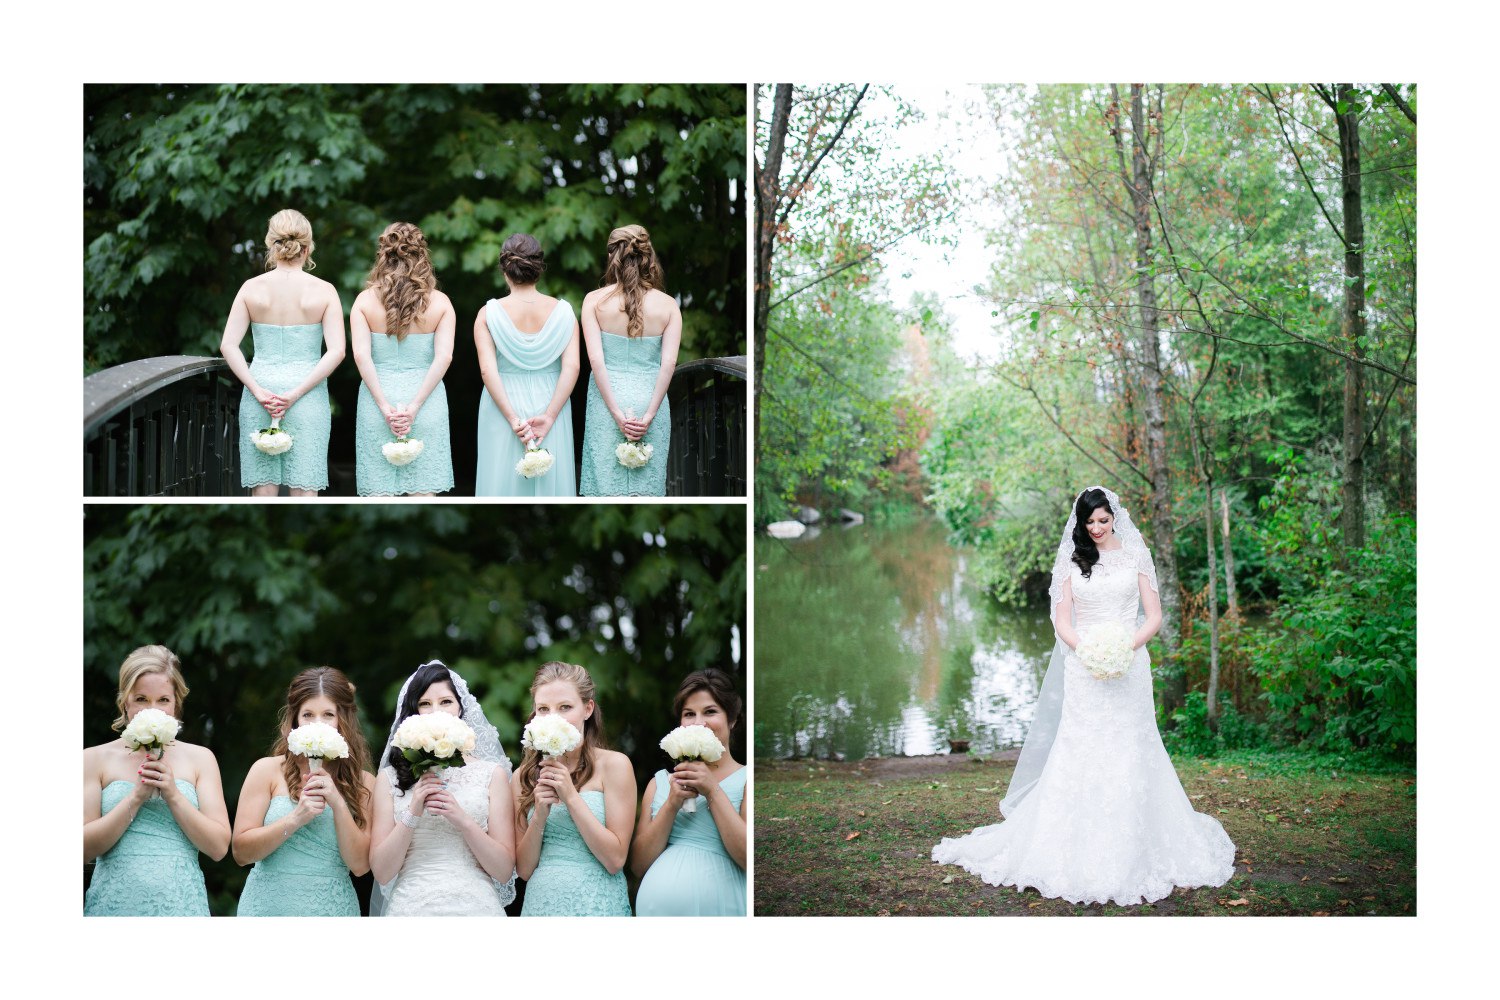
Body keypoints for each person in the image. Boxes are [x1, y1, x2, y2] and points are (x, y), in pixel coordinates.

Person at [932, 486, 1236, 905]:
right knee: (1083, 746)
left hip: (1129, 665)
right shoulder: (1072, 561)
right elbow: (1060, 619)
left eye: (1103, 521)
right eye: (1089, 522)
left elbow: (1156, 615)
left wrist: (1127, 647)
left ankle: (1137, 843)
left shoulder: (1135, 556)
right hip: (1083, 666)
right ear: (1080, 523)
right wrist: (1086, 650)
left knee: (1132, 744)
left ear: (1115, 518)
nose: (1096, 529)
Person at [84, 645, 231, 915]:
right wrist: (135, 798)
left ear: (176, 704)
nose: (153, 709)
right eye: (141, 699)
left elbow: (219, 847)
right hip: (114, 904)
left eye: (163, 700)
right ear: (125, 702)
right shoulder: (93, 759)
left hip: (181, 904)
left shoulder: (201, 758)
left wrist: (174, 795)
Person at [369, 661, 516, 915]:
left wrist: (462, 819)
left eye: (446, 702)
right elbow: (382, 872)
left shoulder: (492, 775)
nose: (436, 711)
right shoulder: (389, 778)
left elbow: (503, 871)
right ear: (413, 713)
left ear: (461, 708)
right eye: (425, 704)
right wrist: (413, 809)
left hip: (476, 908)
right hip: (411, 908)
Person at [232, 667, 375, 915]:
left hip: (330, 908)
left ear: (343, 721)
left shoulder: (364, 783)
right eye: (308, 714)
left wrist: (338, 803)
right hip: (269, 906)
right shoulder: (266, 770)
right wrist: (295, 818)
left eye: (328, 715)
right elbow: (241, 853)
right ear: (295, 719)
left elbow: (361, 865)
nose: (317, 724)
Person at [221, 209, 344, 496]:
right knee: (305, 491)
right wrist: (296, 393)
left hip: (260, 394)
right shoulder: (324, 291)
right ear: (308, 246)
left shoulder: (251, 289)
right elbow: (337, 351)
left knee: (262, 492)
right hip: (307, 395)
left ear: (271, 243)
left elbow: (229, 345)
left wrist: (257, 390)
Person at [512, 661, 634, 915]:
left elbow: (615, 860)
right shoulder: (521, 776)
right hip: (542, 903)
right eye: (543, 709)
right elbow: (524, 870)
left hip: (597, 902)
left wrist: (570, 797)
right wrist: (540, 816)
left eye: (565, 707)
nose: (553, 717)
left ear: (587, 709)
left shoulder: (615, 765)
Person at [631, 669, 747, 916]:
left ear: (733, 719)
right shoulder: (660, 783)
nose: (698, 723)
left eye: (710, 711)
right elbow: (639, 866)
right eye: (689, 714)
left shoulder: (748, 780)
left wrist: (712, 791)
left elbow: (749, 858)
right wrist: (672, 803)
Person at [351, 222, 455, 496]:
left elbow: (362, 356)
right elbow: (443, 358)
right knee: (424, 495)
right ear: (421, 253)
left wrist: (385, 407)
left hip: (377, 401)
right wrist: (415, 406)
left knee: (377, 494)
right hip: (426, 402)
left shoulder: (363, 301)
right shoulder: (442, 303)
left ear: (383, 252)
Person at [474, 233, 580, 496]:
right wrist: (550, 416)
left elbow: (488, 371)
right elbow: (572, 368)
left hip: (503, 402)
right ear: (539, 268)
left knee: (498, 482)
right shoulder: (565, 313)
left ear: (504, 269)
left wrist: (513, 420)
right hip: (551, 403)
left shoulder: (488, 314)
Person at [579, 225, 680, 496]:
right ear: (648, 255)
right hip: (650, 399)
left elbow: (596, 362)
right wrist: (648, 416)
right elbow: (668, 365)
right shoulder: (669, 305)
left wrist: (615, 413)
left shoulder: (593, 301)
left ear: (612, 254)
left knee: (603, 486)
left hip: (606, 401)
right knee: (648, 486)